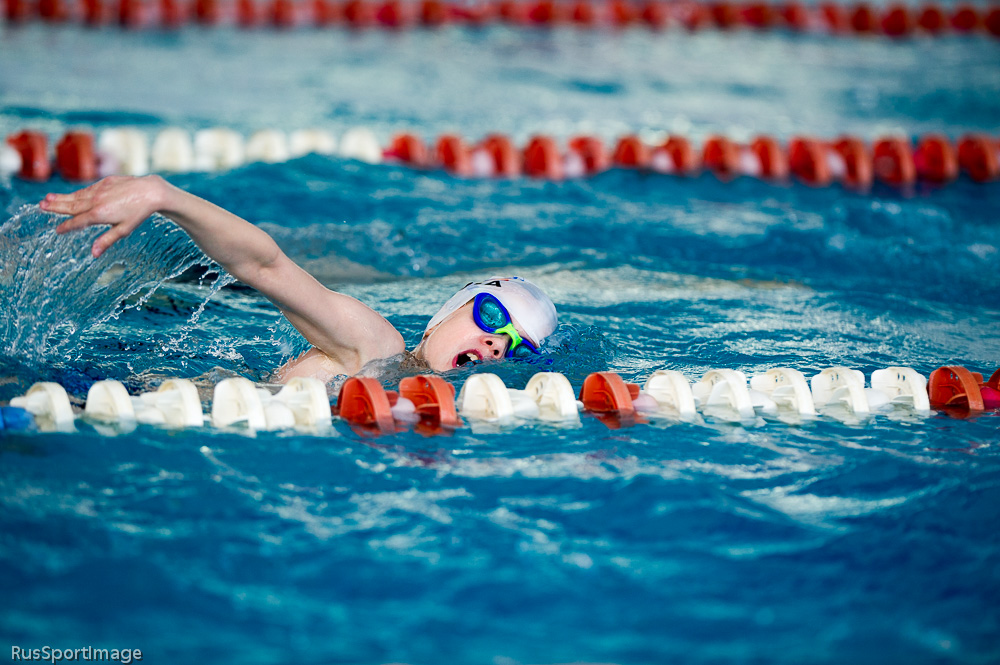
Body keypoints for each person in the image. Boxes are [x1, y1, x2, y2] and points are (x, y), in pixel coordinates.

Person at [40, 175, 558, 382]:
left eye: (517, 349)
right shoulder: (376, 347)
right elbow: (267, 267)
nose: (496, 344)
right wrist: (164, 197)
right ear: (441, 318)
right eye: (493, 317)